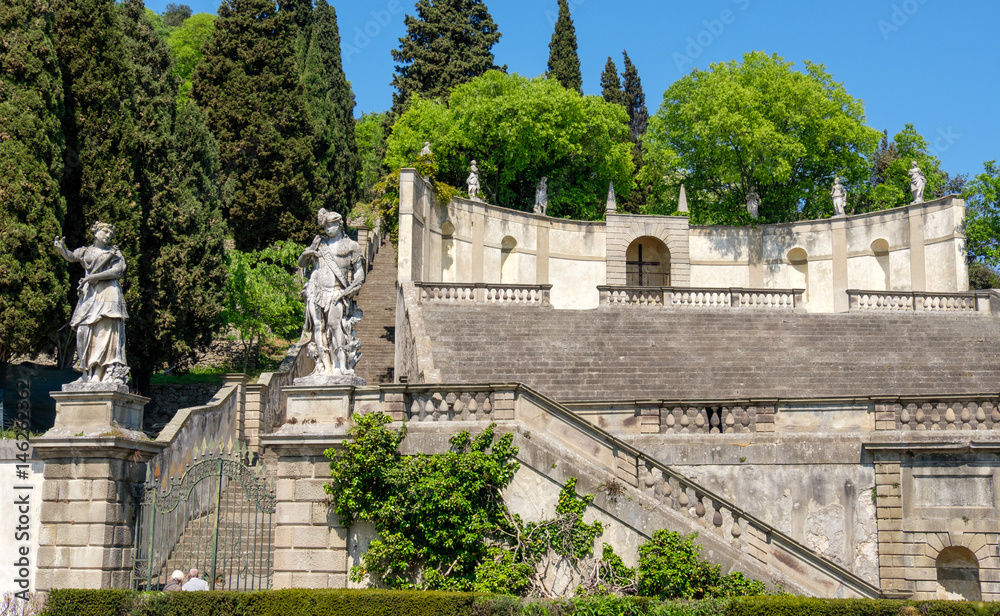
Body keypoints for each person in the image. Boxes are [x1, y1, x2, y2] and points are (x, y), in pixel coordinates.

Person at [53, 221, 129, 386]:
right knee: (83, 330)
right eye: (105, 232)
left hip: (108, 293)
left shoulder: (114, 253)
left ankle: (99, 373)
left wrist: (94, 277)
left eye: (111, 234)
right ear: (96, 232)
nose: (108, 236)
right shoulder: (86, 251)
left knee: (103, 332)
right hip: (89, 295)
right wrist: (61, 249)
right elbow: (71, 256)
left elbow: (117, 271)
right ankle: (85, 372)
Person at [299, 209, 365, 378]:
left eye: (331, 225)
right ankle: (324, 367)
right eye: (326, 226)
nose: (328, 229)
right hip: (317, 291)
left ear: (339, 224)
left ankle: (341, 365)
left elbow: (359, 275)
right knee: (318, 327)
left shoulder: (351, 246)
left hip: (336, 292)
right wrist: (308, 253)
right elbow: (302, 263)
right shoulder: (320, 243)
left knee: (335, 326)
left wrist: (347, 292)